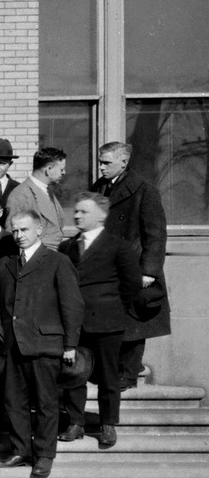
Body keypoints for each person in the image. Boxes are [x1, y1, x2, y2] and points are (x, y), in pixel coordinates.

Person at [0, 211, 85, 478]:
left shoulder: (57, 261)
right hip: (12, 345)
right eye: (15, 231)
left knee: (46, 402)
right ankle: (21, 450)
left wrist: (70, 344)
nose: (19, 235)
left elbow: (72, 305)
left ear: (39, 229)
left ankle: (44, 454)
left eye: (24, 229)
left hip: (45, 344)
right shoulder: (5, 264)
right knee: (14, 401)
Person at [58, 193, 142, 450]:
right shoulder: (67, 247)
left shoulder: (118, 246)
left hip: (107, 323)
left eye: (84, 212)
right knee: (74, 373)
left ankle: (108, 423)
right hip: (75, 323)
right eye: (77, 211)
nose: (77, 215)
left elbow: (132, 284)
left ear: (101, 215)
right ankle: (75, 422)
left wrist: (112, 308)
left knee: (108, 376)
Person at [94, 141, 167, 391]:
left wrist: (149, 271)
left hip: (133, 267)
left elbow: (155, 234)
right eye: (100, 162)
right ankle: (112, 370)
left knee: (135, 322)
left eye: (106, 163)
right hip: (106, 267)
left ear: (123, 162)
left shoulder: (144, 190)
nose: (101, 167)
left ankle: (128, 373)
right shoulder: (99, 187)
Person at [6, 147, 67, 248]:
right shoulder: (20, 194)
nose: (64, 172)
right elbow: (11, 232)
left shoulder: (48, 190)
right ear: (49, 170)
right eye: (61, 169)